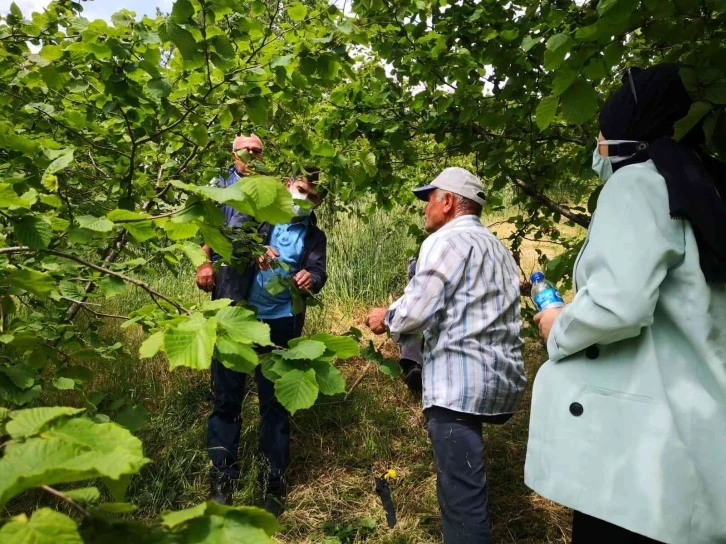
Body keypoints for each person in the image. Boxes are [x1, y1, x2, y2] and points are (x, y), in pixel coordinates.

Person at [525, 64, 726, 544]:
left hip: (639, 461)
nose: (597, 149)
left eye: (599, 135)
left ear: (621, 134)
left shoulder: (638, 183)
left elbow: (618, 306)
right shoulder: (705, 187)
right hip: (700, 431)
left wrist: (557, 324)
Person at [365, 167, 527, 544]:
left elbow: (415, 312)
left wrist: (385, 317)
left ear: (449, 202)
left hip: (458, 386)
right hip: (499, 381)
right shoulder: (497, 247)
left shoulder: (444, 242)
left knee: (460, 494)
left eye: (430, 200)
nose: (425, 209)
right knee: (466, 476)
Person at [196, 150, 328, 514]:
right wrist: (252, 249)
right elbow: (226, 240)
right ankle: (222, 478)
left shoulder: (315, 237)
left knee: (274, 406)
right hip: (239, 319)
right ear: (287, 186)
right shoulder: (257, 216)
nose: (305, 198)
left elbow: (318, 272)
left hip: (282, 326)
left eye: (313, 196)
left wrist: (309, 279)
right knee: (226, 399)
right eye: (301, 188)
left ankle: (273, 484)